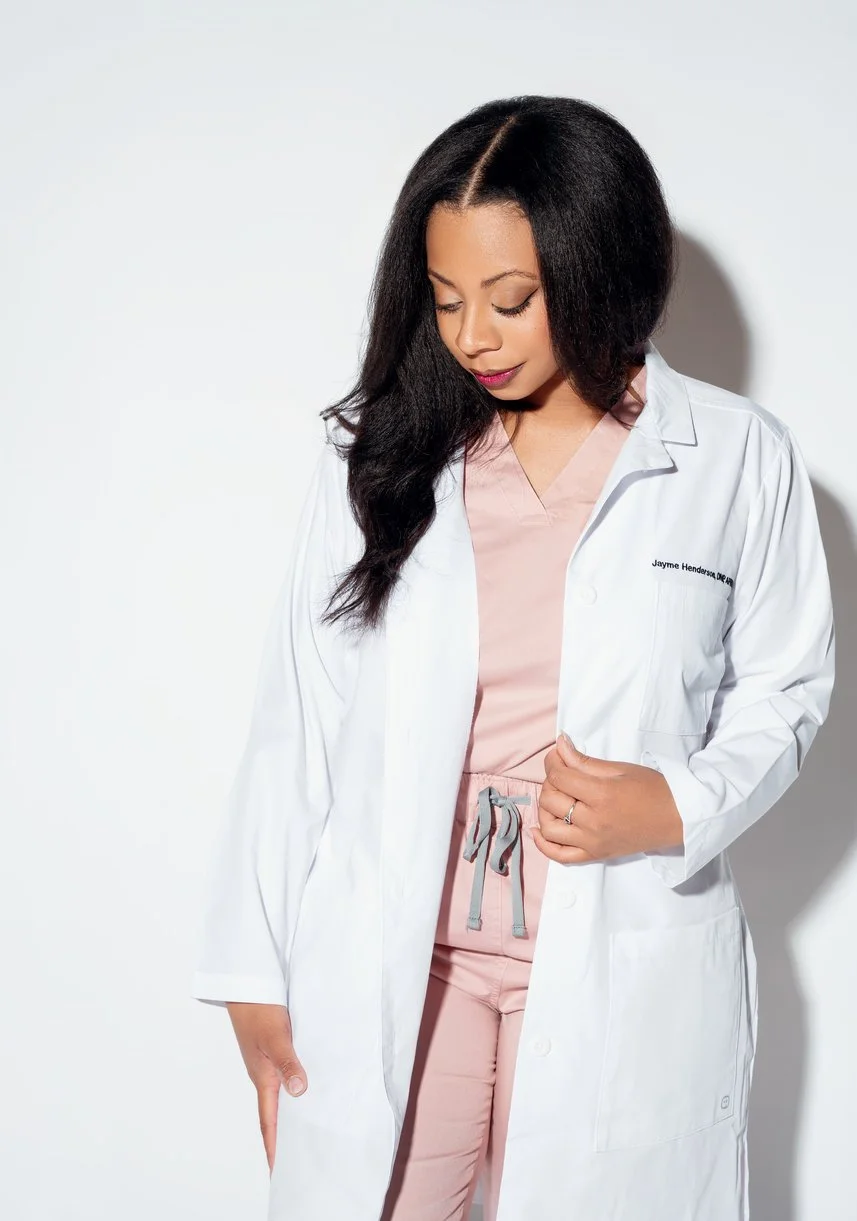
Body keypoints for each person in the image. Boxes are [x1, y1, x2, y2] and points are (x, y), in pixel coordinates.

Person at [190, 96, 835, 1221]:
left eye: (509, 300)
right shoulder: (378, 457)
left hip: (612, 957)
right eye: (443, 300)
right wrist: (254, 972)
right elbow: (301, 714)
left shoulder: (735, 458)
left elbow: (787, 687)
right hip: (409, 964)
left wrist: (674, 803)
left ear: (598, 273)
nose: (471, 337)